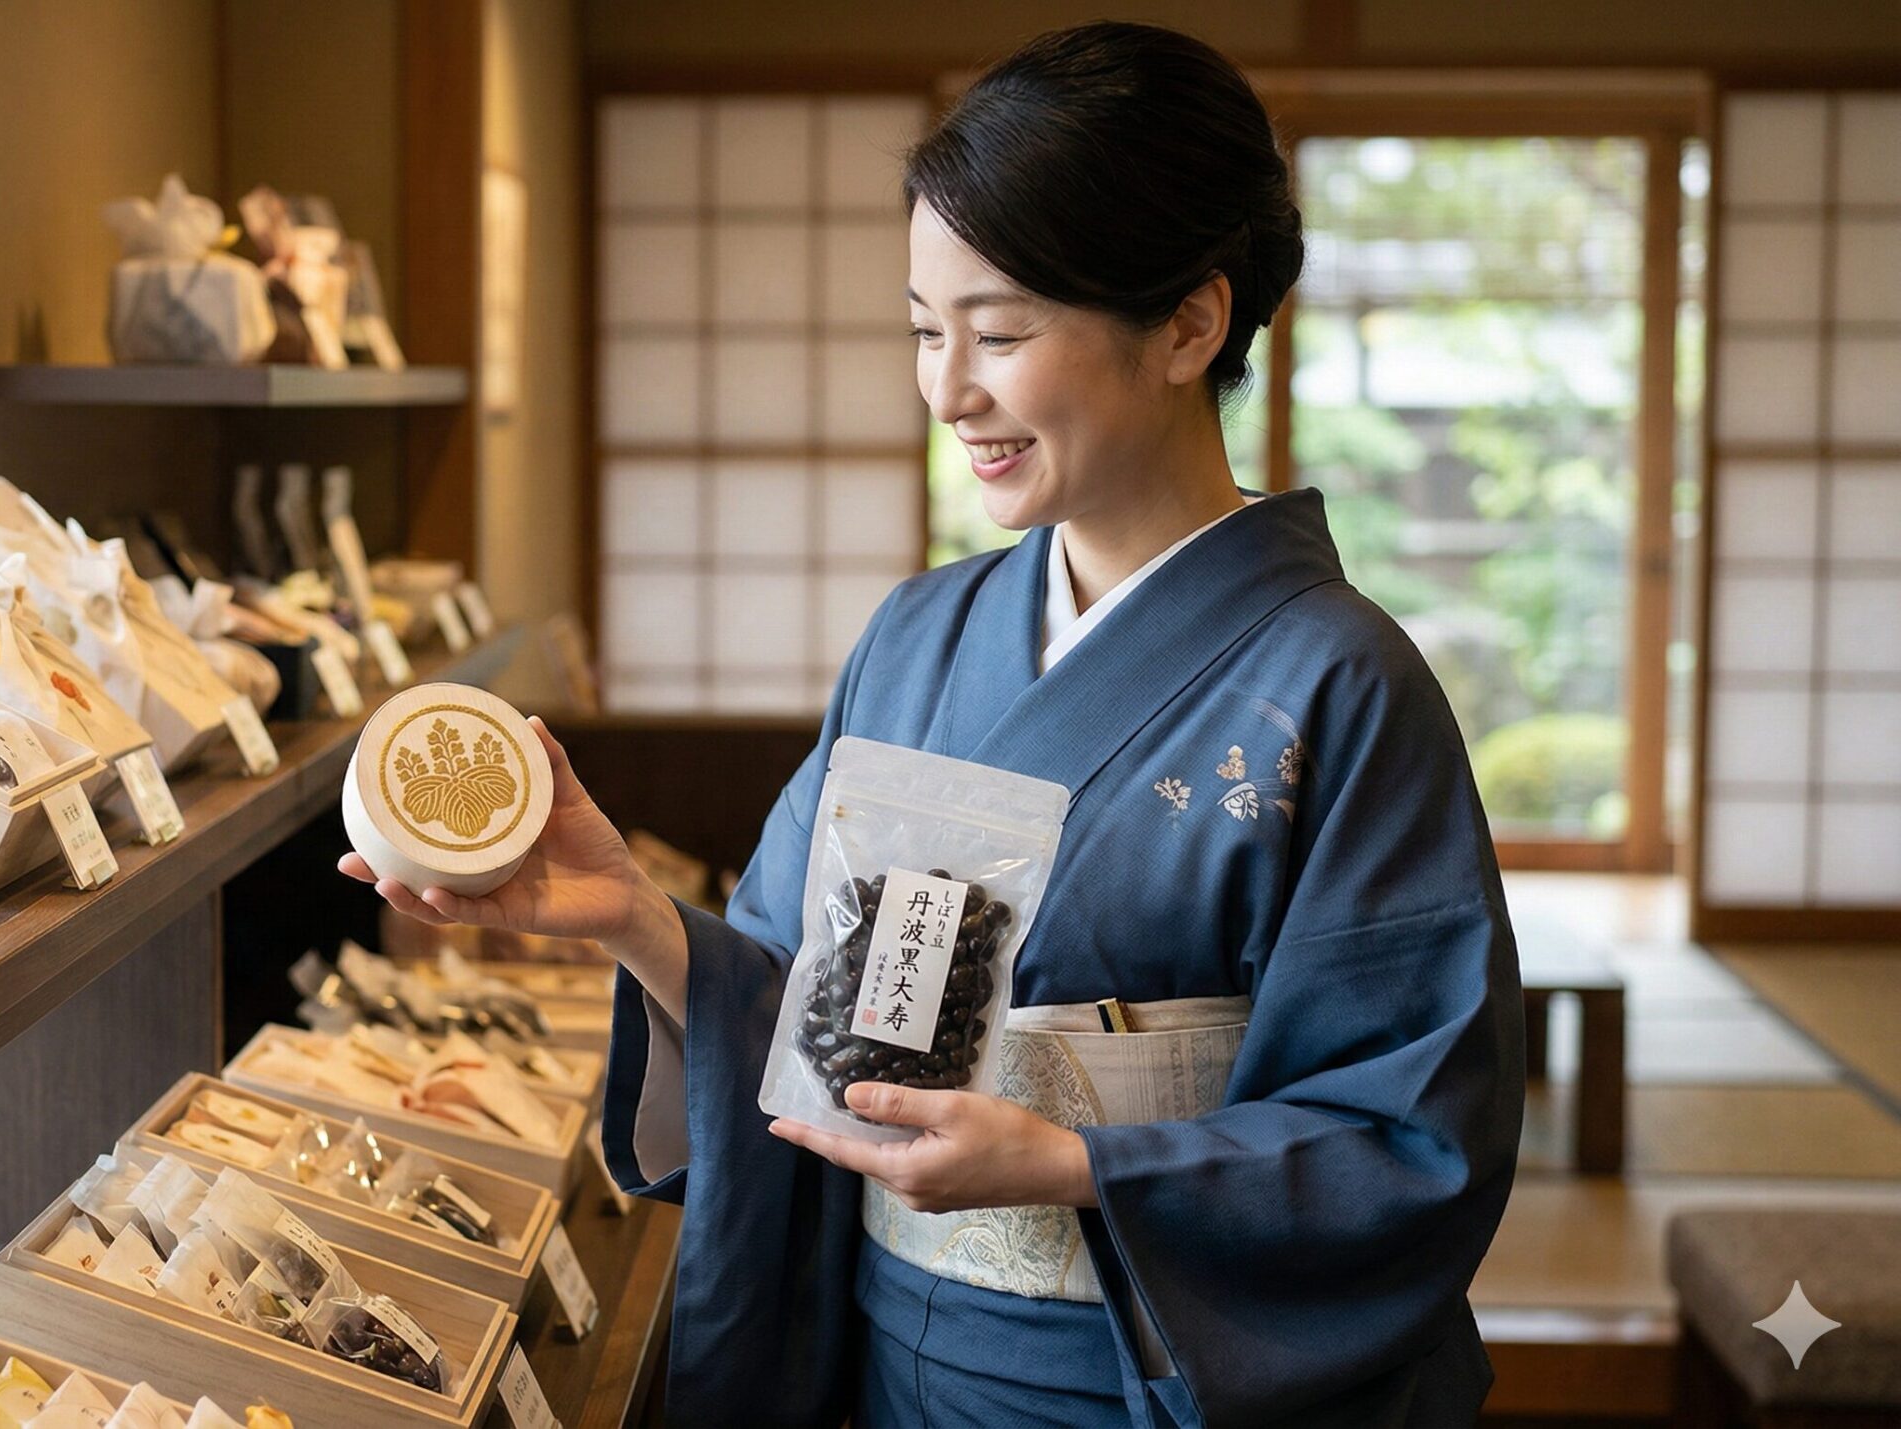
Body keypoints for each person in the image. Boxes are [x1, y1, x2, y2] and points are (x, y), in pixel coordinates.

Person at [344, 20, 1521, 1428]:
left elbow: (1409, 1139)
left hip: (1135, 1387)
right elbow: (814, 1030)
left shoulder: (1343, 686)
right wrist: (634, 921)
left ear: (1191, 325)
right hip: (897, 1366)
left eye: (1002, 331)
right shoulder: (919, 637)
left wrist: (1077, 1163)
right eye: (923, 330)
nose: (949, 389)